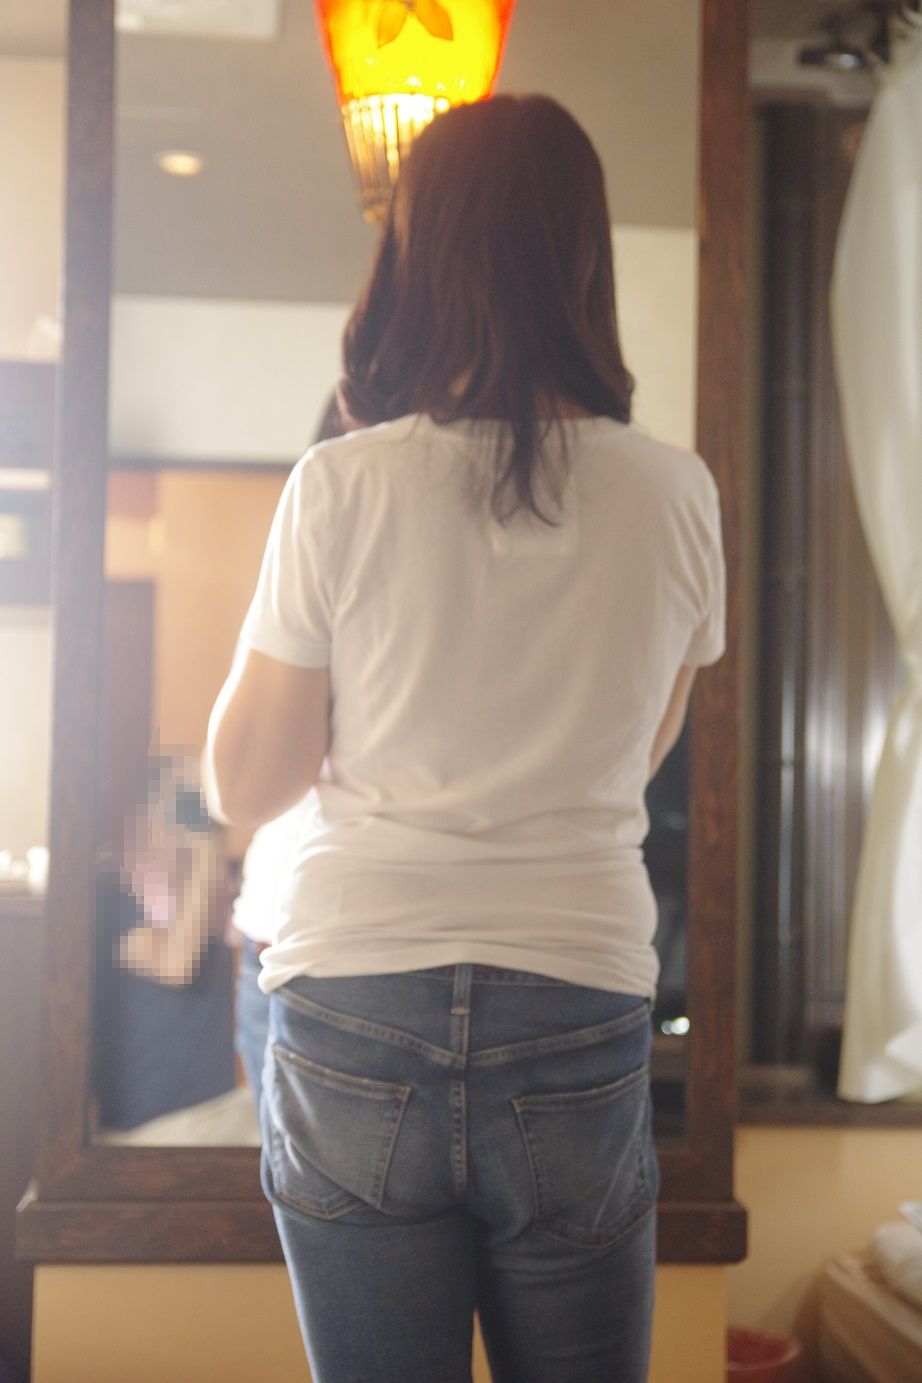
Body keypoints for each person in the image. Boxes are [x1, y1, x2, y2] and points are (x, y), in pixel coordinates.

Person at [205, 93, 725, 1383]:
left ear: (417, 254)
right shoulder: (678, 494)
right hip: (575, 995)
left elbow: (245, 784)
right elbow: (638, 753)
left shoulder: (341, 485)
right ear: (587, 258)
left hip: (357, 1003)